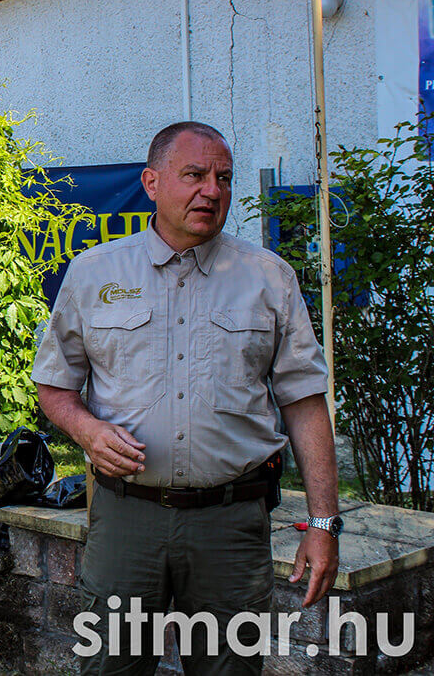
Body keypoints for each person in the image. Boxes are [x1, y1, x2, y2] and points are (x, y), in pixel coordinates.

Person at [32, 122, 341, 675]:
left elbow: (304, 402)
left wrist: (323, 524)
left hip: (231, 525)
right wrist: (87, 431)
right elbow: (54, 385)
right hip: (126, 519)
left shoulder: (269, 278)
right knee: (111, 667)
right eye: (194, 175)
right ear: (151, 183)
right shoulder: (95, 273)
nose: (212, 191)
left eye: (224, 178)